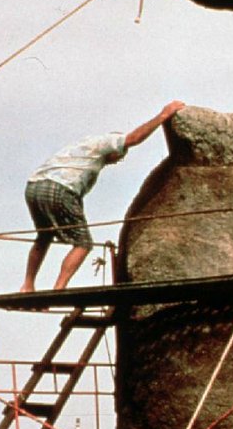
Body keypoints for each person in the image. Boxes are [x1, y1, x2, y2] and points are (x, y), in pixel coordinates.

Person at [20, 101, 186, 292]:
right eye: (121, 155)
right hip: (60, 188)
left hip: (34, 187)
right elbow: (133, 138)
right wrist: (163, 116)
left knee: (44, 236)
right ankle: (59, 288)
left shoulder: (83, 148)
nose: (118, 160)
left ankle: (28, 284)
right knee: (83, 243)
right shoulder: (107, 142)